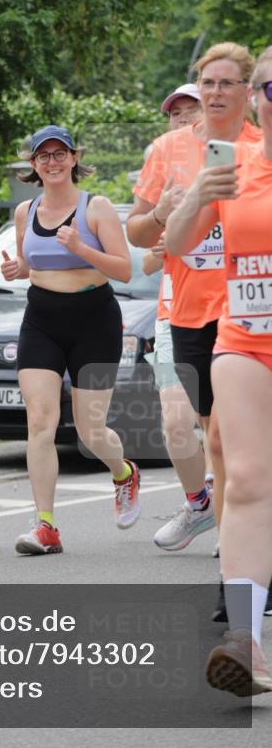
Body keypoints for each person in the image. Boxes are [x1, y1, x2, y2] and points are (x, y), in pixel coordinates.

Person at [165, 46, 272, 696]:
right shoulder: (235, 167)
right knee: (248, 481)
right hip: (245, 339)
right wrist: (196, 197)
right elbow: (176, 243)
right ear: (259, 98)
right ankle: (244, 640)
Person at [127, 43, 260, 557]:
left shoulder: (261, 145)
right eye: (207, 83)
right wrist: (162, 213)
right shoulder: (168, 150)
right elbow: (139, 235)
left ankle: (241, 546)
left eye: (227, 83)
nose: (215, 92)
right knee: (211, 435)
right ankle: (230, 529)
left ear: (248, 91)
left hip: (247, 310)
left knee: (231, 436)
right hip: (186, 311)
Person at [1, 124, 139, 556]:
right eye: (44, 156)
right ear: (33, 164)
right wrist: (17, 270)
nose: (53, 162)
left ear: (74, 159)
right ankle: (45, 526)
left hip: (94, 320)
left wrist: (82, 248)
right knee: (40, 422)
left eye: (60, 153)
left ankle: (124, 473)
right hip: (41, 319)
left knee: (90, 431)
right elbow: (30, 263)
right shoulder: (25, 212)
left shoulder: (95, 208)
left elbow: (123, 270)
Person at [140, 82, 217, 550]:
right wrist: (161, 225)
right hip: (175, 313)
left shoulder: (235, 163)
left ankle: (239, 516)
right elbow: (146, 256)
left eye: (193, 109)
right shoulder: (165, 173)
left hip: (230, 311)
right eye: (176, 112)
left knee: (223, 428)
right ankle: (200, 504)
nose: (184, 118)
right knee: (175, 422)